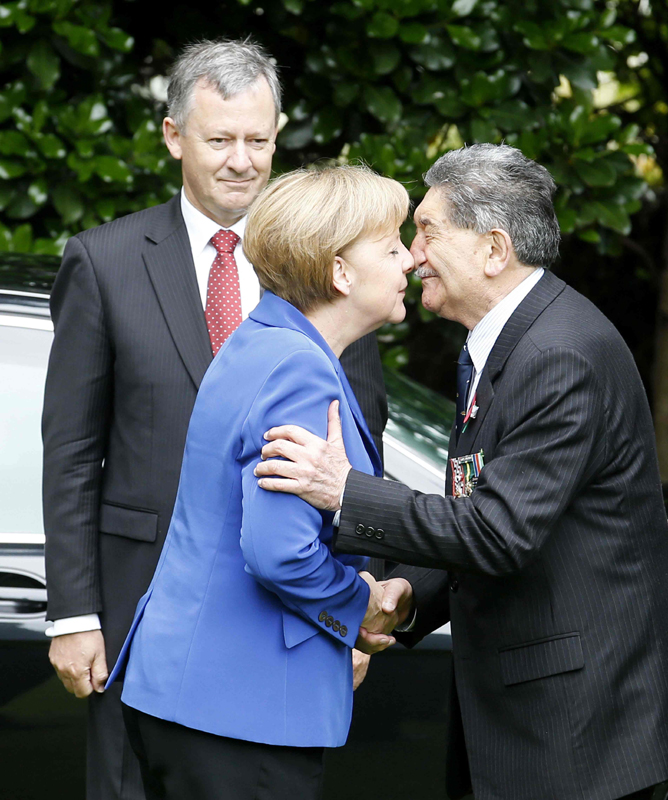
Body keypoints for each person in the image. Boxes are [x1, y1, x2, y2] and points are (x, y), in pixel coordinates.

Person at [255, 144, 668, 800]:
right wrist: (413, 593)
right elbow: (480, 503)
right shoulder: (506, 340)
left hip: (574, 736)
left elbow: (501, 532)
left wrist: (344, 491)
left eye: (427, 232)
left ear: (494, 250)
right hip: (522, 716)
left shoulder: (560, 355)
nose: (412, 255)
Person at [42, 39, 387, 800]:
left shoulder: (327, 269)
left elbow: (361, 450)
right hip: (136, 615)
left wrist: (354, 609)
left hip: (285, 628)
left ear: (280, 132)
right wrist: (71, 613)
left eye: (258, 140)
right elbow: (71, 451)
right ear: (173, 137)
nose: (242, 160)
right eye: (220, 139)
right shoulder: (103, 262)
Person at [103, 164, 413, 800]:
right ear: (340, 272)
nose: (409, 259)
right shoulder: (301, 370)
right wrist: (358, 609)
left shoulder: (260, 338)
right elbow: (280, 550)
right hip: (242, 708)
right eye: (391, 245)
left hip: (187, 692)